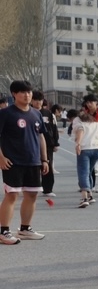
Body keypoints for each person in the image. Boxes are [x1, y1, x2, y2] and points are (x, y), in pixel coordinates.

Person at [0, 81, 50, 244]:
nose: (27, 95)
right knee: (12, 195)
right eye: (22, 92)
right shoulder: (6, 113)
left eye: (29, 92)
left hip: (33, 161)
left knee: (32, 194)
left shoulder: (36, 114)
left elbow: (41, 136)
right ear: (14, 94)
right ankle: (3, 232)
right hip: (13, 162)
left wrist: (44, 159)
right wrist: (1, 157)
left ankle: (24, 229)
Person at [73, 108, 98, 208]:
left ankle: (84, 197)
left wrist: (78, 144)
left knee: (83, 173)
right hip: (96, 149)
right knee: (89, 172)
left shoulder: (81, 125)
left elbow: (81, 132)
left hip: (84, 149)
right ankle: (90, 195)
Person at [32, 91, 59, 198]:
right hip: (32, 144)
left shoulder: (48, 114)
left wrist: (55, 143)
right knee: (33, 167)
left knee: (47, 166)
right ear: (31, 101)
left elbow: (54, 128)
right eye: (35, 100)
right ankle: (32, 187)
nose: (38, 102)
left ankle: (47, 189)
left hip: (48, 144)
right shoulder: (28, 112)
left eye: (40, 100)